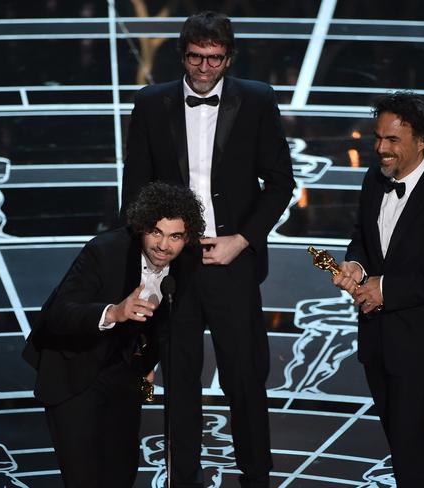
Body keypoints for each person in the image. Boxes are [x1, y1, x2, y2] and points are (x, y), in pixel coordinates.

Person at [121, 11, 295, 488]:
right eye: (196, 57)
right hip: (174, 266)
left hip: (232, 262)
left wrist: (242, 240)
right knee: (179, 383)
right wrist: (150, 261)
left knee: (244, 379)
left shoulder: (257, 101)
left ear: (229, 57)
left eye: (214, 58)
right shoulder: (151, 103)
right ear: (182, 55)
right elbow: (134, 190)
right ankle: (183, 478)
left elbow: (281, 182)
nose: (204, 68)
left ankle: (256, 477)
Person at [332, 91, 424, 487]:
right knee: (401, 443)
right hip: (376, 341)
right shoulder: (373, 181)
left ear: (422, 141)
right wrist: (356, 265)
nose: (380, 148)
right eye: (378, 138)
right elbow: (361, 236)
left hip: (419, 346)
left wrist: (387, 290)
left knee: (410, 444)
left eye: (392, 140)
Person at [23, 182, 205, 488]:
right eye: (156, 232)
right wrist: (114, 312)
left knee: (121, 471)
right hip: (73, 369)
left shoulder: (186, 262)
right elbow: (58, 314)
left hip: (123, 373)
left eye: (175, 236)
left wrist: (149, 365)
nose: (164, 245)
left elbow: (168, 322)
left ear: (186, 238)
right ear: (142, 227)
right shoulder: (105, 251)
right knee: (84, 477)